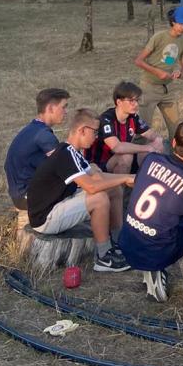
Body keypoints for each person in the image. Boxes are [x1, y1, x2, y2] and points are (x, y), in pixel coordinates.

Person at [26, 108, 135, 272]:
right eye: (95, 132)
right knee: (99, 199)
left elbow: (100, 177)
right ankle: (104, 257)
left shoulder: (74, 153)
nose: (97, 137)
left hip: (59, 204)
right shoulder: (65, 154)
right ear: (82, 130)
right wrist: (125, 178)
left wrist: (130, 178)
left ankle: (118, 242)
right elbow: (91, 186)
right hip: (45, 218)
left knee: (114, 190)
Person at [117, 118, 183, 302]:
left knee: (169, 214)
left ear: (173, 142)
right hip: (155, 250)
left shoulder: (151, 159)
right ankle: (154, 269)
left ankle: (149, 264)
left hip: (126, 239)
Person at [4, 88, 70, 209]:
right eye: (64, 107)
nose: (66, 112)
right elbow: (64, 168)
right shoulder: (44, 136)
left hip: (19, 193)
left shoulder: (33, 128)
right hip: (27, 196)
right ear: (50, 108)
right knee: (79, 190)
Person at [134, 5, 183, 140]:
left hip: (167, 90)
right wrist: (157, 72)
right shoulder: (159, 37)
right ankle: (137, 159)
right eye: (181, 23)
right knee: (142, 131)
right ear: (173, 21)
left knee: (177, 130)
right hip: (148, 87)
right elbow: (138, 61)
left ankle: (176, 159)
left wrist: (180, 72)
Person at [88, 81, 164, 173]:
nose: (136, 104)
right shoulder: (106, 119)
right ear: (119, 102)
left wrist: (158, 140)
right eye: (131, 101)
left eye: (137, 100)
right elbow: (117, 147)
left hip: (123, 160)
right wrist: (147, 147)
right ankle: (119, 186)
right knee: (126, 156)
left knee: (150, 151)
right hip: (100, 166)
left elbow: (151, 134)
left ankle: (144, 184)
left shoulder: (133, 117)